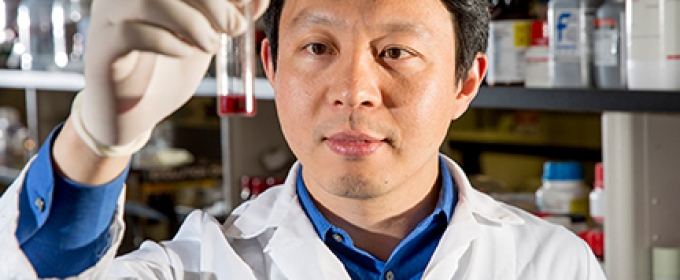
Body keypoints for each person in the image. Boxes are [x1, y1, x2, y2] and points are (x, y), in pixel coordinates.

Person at [0, 0, 607, 278]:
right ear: (269, 64)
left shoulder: (552, 264)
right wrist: (98, 138)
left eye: (395, 51)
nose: (353, 90)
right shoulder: (199, 268)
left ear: (465, 82)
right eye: (317, 48)